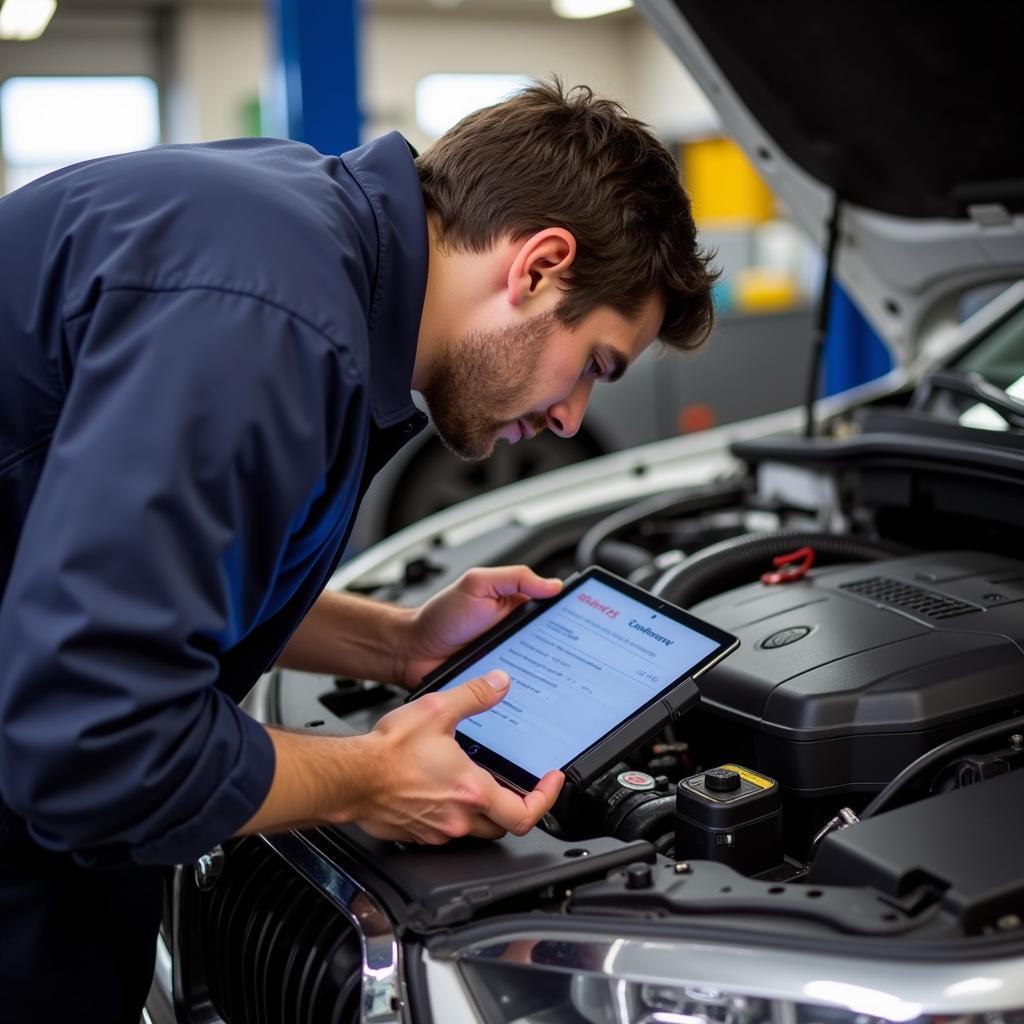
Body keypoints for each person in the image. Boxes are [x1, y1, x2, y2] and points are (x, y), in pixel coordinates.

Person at [0, 80, 716, 1021]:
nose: (571, 417)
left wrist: (395, 644)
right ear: (540, 265)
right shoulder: (270, 326)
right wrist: (371, 780)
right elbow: (92, 747)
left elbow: (128, 563)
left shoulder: (297, 230)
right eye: (594, 364)